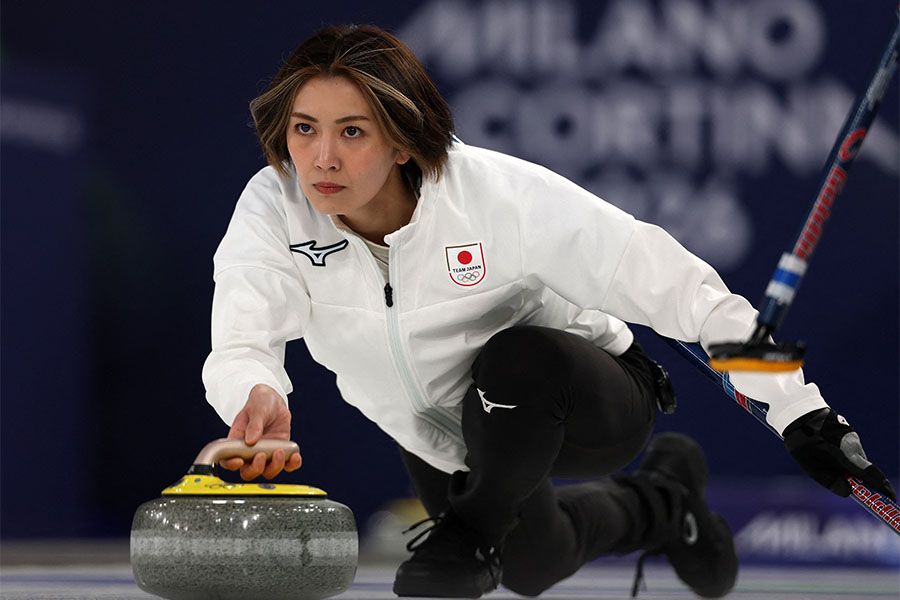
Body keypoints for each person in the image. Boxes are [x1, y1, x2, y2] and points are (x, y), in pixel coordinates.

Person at [202, 24, 895, 599]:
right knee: (535, 564)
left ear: (403, 138)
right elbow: (244, 328)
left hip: (580, 397)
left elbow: (680, 288)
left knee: (514, 362)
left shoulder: (496, 197)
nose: (320, 157)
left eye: (351, 131)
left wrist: (799, 409)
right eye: (304, 129)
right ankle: (665, 504)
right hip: (445, 431)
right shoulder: (275, 207)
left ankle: (471, 532)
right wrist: (255, 390)